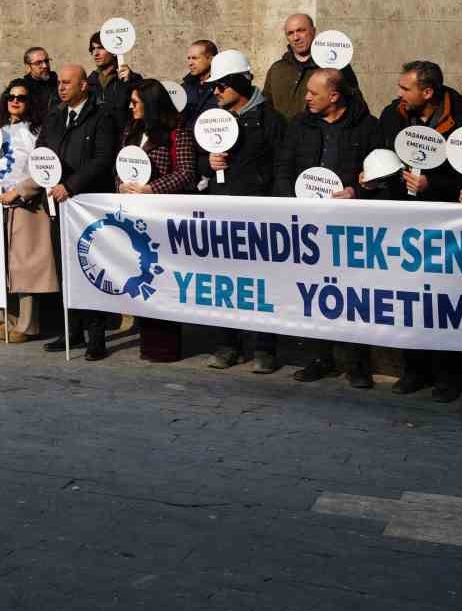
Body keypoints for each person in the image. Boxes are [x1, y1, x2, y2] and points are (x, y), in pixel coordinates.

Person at [375, 60, 462, 402]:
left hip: (444, 226)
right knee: (408, 299)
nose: (399, 95)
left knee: (442, 300)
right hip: (405, 223)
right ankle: (413, 370)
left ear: (428, 91)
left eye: (406, 89)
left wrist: (431, 183)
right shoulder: (394, 116)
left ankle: (449, 377)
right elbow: (382, 156)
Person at [274, 67, 381, 387]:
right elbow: (283, 167)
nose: (306, 97)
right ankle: (319, 357)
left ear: (334, 96)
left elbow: (380, 174)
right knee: (313, 292)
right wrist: (288, 204)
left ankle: (357, 362)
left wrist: (356, 192)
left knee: (353, 293)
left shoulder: (368, 127)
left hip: (350, 226)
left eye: (313, 93)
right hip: (307, 224)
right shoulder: (299, 125)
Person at [201, 51, 286, 372]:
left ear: (239, 83)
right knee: (225, 282)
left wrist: (274, 208)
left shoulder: (272, 121)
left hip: (259, 215)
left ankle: (265, 348)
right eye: (214, 86)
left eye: (222, 85)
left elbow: (281, 168)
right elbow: (197, 159)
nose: (216, 92)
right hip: (221, 212)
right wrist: (208, 162)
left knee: (260, 284)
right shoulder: (212, 118)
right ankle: (227, 344)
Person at [26, 63, 116, 359]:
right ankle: (72, 330)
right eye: (60, 83)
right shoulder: (55, 117)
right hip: (57, 204)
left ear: (83, 86)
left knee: (92, 268)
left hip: (87, 205)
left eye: (67, 83)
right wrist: (46, 178)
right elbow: (41, 151)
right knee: (65, 267)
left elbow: (103, 159)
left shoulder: (101, 117)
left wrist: (72, 185)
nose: (61, 87)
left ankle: (97, 336)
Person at [116, 80, 196, 362]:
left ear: (150, 103)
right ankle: (147, 340)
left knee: (164, 277)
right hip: (136, 217)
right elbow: (122, 165)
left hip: (164, 216)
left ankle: (165, 345)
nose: (131, 106)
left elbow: (186, 172)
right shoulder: (132, 129)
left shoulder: (178, 130)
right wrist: (122, 185)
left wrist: (152, 189)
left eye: (136, 102)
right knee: (144, 274)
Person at [0, 78, 56, 342]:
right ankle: (5, 318)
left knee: (26, 266)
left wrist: (21, 191)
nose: (15, 101)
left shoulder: (38, 132)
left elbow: (45, 167)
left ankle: (27, 324)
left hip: (25, 205)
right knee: (1, 265)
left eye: (21, 97)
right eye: (11, 96)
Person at [88, 31, 140, 133]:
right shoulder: (89, 81)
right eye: (93, 49)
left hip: (122, 139)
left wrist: (130, 81)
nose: (95, 53)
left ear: (113, 50)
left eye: (100, 48)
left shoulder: (132, 78)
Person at [179, 40, 220, 125]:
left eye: (195, 58)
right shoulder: (183, 88)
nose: (190, 63)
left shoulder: (223, 87)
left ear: (211, 59)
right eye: (189, 58)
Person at [21, 47, 59, 118]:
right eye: (38, 63)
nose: (45, 66)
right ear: (28, 67)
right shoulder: (22, 89)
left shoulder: (59, 84)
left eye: (46, 61)